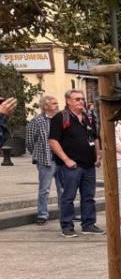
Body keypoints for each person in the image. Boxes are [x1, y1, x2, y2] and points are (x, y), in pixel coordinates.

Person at [48, 90, 102, 237]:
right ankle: (67, 226)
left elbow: (95, 138)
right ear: (68, 101)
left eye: (82, 99)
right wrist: (66, 160)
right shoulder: (60, 117)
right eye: (77, 99)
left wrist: (98, 155)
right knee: (68, 196)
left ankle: (88, 224)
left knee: (89, 197)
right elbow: (53, 141)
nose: (81, 102)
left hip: (89, 165)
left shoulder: (88, 117)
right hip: (71, 166)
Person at [27, 96, 60, 227]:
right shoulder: (37, 121)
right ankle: (42, 214)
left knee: (63, 189)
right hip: (45, 160)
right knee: (44, 189)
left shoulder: (60, 118)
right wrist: (38, 154)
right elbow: (29, 141)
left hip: (61, 159)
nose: (57, 105)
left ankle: (65, 213)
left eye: (57, 103)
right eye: (54, 103)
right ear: (45, 106)